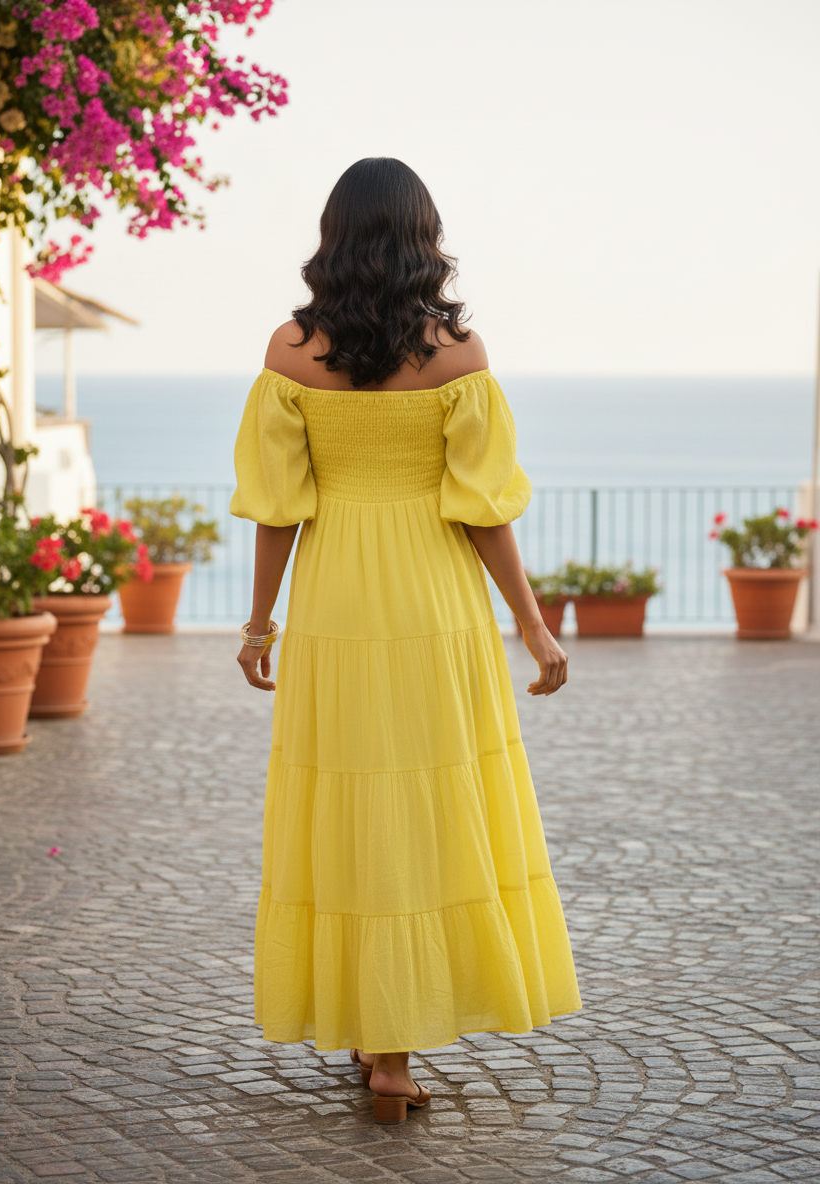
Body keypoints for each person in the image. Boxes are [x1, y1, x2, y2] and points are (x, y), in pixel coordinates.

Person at [231, 157, 581, 1125]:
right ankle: (394, 1055)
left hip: (338, 597)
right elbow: (484, 513)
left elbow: (276, 512)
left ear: (332, 235)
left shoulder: (291, 352)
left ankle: (372, 1033)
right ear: (426, 239)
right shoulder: (458, 355)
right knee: (428, 804)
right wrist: (531, 620)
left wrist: (261, 622)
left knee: (348, 802)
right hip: (436, 606)